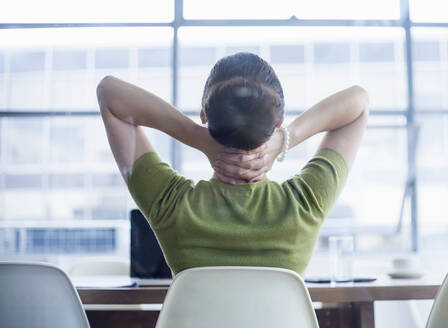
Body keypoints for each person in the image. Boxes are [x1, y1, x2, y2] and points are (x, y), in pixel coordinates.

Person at [97, 52, 368, 277]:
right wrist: (285, 139)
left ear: (205, 115)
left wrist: (196, 137)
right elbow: (358, 101)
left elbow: (109, 92)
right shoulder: (306, 204)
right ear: (279, 120)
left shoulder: (170, 203)